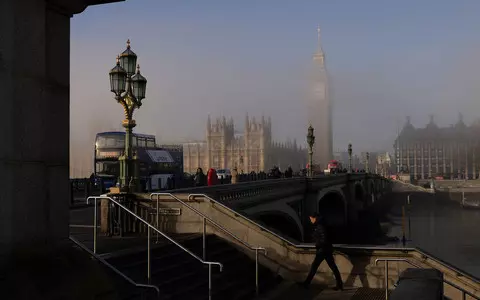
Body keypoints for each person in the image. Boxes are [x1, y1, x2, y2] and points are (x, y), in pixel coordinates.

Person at [301, 212, 343, 290]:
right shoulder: (322, 224)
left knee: (314, 267)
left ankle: (306, 283)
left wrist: (318, 245)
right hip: (326, 249)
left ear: (314, 218)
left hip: (322, 250)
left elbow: (324, 239)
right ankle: (340, 284)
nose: (310, 221)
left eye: (311, 219)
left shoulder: (320, 226)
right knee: (333, 267)